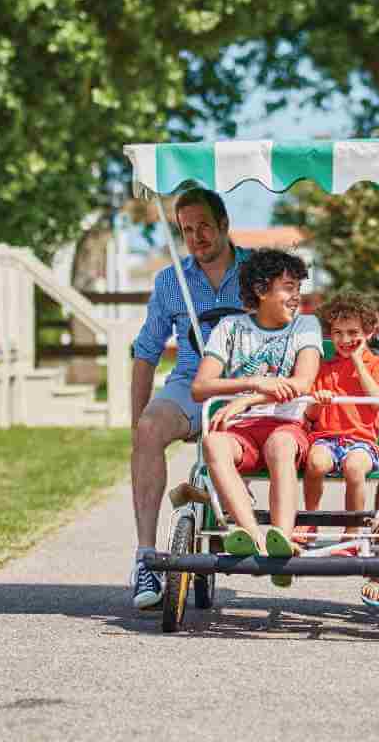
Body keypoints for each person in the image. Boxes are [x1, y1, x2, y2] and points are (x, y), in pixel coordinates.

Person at [128, 189, 250, 610]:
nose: (196, 237)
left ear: (224, 226)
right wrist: (137, 426)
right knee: (148, 430)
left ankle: (272, 529)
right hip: (192, 382)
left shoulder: (259, 271)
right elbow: (145, 353)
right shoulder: (170, 281)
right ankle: (146, 558)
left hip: (250, 385)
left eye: (203, 227)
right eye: (186, 230)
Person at [194, 250, 323, 587]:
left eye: (298, 288)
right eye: (288, 287)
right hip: (242, 433)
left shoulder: (305, 326)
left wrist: (248, 399)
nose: (296, 297)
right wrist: (252, 381)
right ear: (262, 290)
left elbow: (302, 383)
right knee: (212, 443)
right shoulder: (230, 328)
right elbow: (201, 387)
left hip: (286, 425)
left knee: (281, 445)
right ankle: (252, 534)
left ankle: (282, 536)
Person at [300, 292, 379, 607]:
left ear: (368, 333)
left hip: (361, 441)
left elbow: (377, 397)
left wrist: (356, 360)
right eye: (338, 334)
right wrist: (318, 399)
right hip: (327, 437)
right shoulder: (324, 367)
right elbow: (310, 416)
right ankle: (309, 521)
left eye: (353, 333)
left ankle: (352, 533)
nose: (345, 340)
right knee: (315, 461)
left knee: (355, 467)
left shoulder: (376, 364)